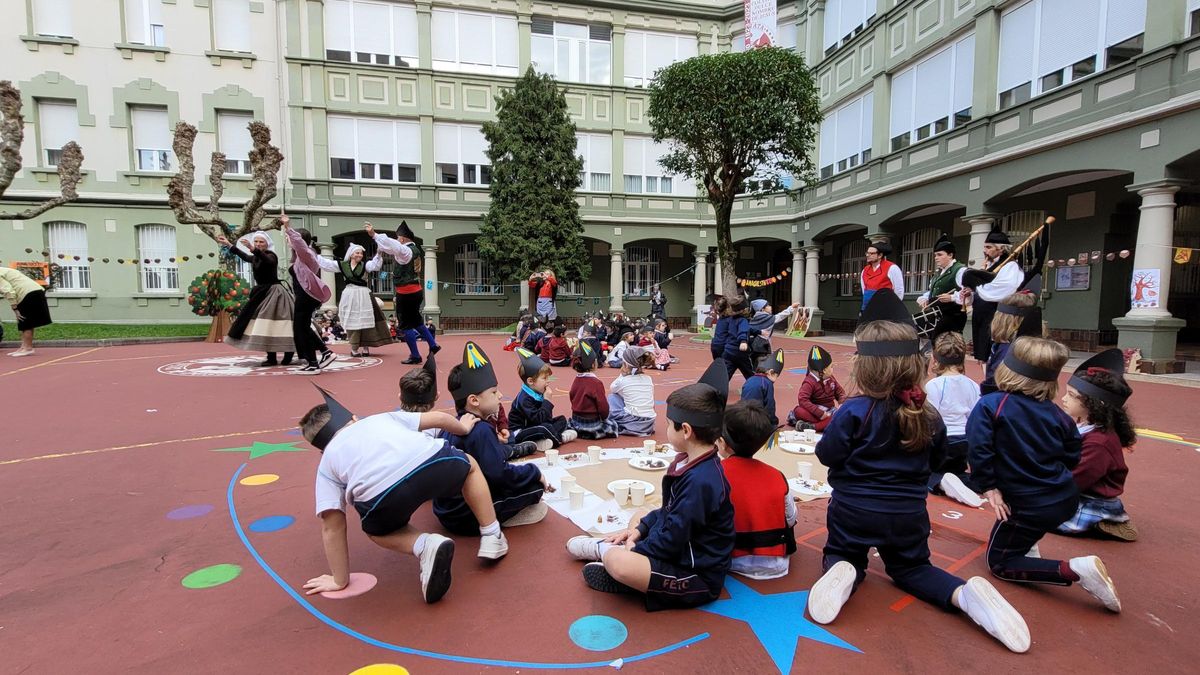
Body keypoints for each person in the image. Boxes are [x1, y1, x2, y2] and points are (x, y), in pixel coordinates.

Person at [808, 291, 1030, 653]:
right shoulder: (928, 415)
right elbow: (939, 462)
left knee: (843, 551)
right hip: (907, 514)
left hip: (854, 510)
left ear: (863, 367)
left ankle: (844, 568)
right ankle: (962, 595)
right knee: (912, 570)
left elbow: (827, 454)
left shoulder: (853, 411)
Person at [298, 385, 508, 604]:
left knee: (379, 531)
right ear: (353, 418)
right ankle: (492, 534)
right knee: (470, 467)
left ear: (321, 448)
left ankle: (424, 544)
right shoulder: (380, 419)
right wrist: (462, 428)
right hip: (432, 461)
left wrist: (339, 579)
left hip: (382, 495)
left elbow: (332, 524)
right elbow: (437, 418)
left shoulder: (327, 462)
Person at [967, 336, 1122, 613]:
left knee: (999, 563)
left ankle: (1074, 570)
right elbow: (1072, 453)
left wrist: (989, 487)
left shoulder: (991, 405)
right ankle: (1029, 544)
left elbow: (979, 450)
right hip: (1063, 498)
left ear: (1005, 369)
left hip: (1028, 505)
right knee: (1018, 530)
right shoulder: (1059, 415)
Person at [564, 361, 735, 611]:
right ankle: (628, 559)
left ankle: (608, 553)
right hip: (676, 550)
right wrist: (642, 529)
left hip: (695, 575)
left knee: (620, 563)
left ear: (685, 430)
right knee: (640, 515)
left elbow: (674, 536)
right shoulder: (690, 462)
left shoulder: (702, 481)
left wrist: (637, 547)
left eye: (668, 423)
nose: (665, 428)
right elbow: (670, 513)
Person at [437, 343, 550, 534]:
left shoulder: (451, 425)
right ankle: (504, 518)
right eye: (493, 392)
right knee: (534, 488)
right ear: (474, 400)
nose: (499, 395)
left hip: (445, 509)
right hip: (465, 515)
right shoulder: (481, 430)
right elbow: (499, 473)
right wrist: (533, 472)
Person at [1056, 349, 1138, 541]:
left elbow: (1076, 479)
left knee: (1030, 515)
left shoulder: (1100, 443)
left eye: (1072, 395)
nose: (1064, 399)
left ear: (1094, 404)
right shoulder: (1083, 425)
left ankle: (1106, 521)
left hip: (1091, 498)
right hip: (1075, 489)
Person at [722, 399, 797, 580]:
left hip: (730, 557)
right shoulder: (777, 475)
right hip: (776, 561)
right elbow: (791, 518)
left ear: (723, 442)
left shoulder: (716, 472)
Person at [218, 231, 296, 366]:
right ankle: (271, 357)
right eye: (256, 242)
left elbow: (268, 261)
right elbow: (243, 255)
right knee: (263, 325)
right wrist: (229, 244)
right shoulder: (255, 257)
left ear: (267, 244)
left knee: (282, 323)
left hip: (274, 292)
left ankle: (288, 354)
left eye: (261, 242)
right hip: (260, 293)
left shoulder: (272, 256)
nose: (258, 244)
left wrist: (253, 249)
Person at [924, 332, 983, 507]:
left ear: (936, 359)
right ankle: (967, 481)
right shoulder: (973, 385)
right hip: (964, 443)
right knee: (959, 471)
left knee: (923, 471)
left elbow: (930, 419)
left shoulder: (933, 385)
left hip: (942, 441)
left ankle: (940, 481)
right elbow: (976, 417)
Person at [373, 221, 440, 365]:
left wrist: (375, 235)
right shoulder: (414, 250)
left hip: (406, 292)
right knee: (416, 320)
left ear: (402, 239)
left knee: (405, 325)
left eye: (398, 238)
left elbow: (395, 247)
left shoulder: (406, 251)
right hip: (416, 290)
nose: (397, 241)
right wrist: (380, 244)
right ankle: (433, 345)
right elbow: (392, 249)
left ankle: (415, 355)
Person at [280, 216, 336, 374]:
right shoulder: (299, 256)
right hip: (303, 296)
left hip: (306, 296)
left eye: (288, 238)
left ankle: (313, 363)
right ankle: (324, 353)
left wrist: (288, 228)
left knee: (301, 328)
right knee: (302, 327)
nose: (287, 240)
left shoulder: (306, 253)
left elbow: (300, 245)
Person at [960, 228, 1023, 363]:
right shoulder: (990, 267)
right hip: (982, 315)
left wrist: (977, 286)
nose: (985, 251)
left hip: (995, 316)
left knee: (993, 355)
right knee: (983, 356)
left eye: (989, 247)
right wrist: (970, 292)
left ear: (1001, 249)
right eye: (985, 247)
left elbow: (1003, 289)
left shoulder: (1010, 265)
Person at [981, 281, 1042, 395]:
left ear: (1001, 319)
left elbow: (998, 384)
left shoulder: (1009, 350)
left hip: (1002, 402)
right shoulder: (1032, 346)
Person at [509, 347, 577, 446]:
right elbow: (539, 420)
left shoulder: (537, 392)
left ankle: (542, 441)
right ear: (531, 381)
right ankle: (559, 439)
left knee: (562, 420)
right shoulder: (524, 399)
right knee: (545, 428)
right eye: (544, 378)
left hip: (535, 426)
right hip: (520, 431)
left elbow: (547, 419)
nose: (548, 381)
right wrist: (547, 401)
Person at [916, 234, 967, 345]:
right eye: (935, 255)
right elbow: (932, 291)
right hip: (937, 315)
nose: (936, 258)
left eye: (939, 255)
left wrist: (952, 297)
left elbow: (968, 293)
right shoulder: (939, 272)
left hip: (952, 315)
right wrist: (925, 298)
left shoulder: (960, 270)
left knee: (947, 346)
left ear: (950, 255)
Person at [787, 346, 845, 432]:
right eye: (831, 366)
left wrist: (842, 403)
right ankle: (824, 424)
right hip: (814, 413)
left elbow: (840, 393)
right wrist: (819, 413)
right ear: (824, 370)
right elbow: (803, 400)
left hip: (829, 411)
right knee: (798, 411)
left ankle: (811, 427)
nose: (833, 368)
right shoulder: (809, 382)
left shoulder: (831, 379)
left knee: (840, 415)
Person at [568, 341, 618, 439]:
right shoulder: (595, 382)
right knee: (613, 425)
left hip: (576, 419)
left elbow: (572, 396)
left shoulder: (577, 379)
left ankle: (578, 432)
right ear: (592, 365)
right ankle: (591, 432)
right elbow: (603, 407)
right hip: (591, 421)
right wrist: (604, 417)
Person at [0, 265, 52, 357]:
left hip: (28, 293)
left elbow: (8, 291)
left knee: (25, 320)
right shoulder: (4, 270)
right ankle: (23, 347)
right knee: (23, 320)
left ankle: (28, 348)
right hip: (33, 291)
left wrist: (14, 307)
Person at [606, 347, 658, 437]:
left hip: (634, 422)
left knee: (613, 397)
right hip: (650, 422)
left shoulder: (624, 380)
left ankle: (624, 425)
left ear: (625, 364)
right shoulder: (648, 379)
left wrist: (622, 375)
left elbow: (612, 388)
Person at [747, 298, 801, 370]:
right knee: (762, 367)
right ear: (762, 309)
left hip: (753, 345)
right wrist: (791, 307)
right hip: (762, 346)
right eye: (768, 305)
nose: (770, 307)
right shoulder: (767, 318)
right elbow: (781, 316)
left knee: (754, 366)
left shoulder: (754, 318)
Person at [740, 348, 784, 427]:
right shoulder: (767, 383)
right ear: (770, 372)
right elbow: (770, 405)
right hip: (757, 420)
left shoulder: (749, 379)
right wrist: (773, 422)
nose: (776, 379)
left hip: (743, 418)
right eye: (776, 376)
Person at [859, 240, 904, 311]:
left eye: (871, 253)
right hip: (868, 307)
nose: (867, 255)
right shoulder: (865, 270)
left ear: (880, 255)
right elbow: (864, 289)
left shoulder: (892, 268)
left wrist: (894, 306)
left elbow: (899, 290)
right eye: (867, 253)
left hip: (886, 306)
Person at [721, 301, 753, 382]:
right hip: (739, 352)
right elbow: (743, 330)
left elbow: (748, 329)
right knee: (749, 372)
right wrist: (743, 341)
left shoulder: (731, 319)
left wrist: (758, 331)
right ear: (744, 310)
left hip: (728, 351)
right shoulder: (743, 320)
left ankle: (718, 389)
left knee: (726, 374)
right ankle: (755, 388)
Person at [709, 297, 730, 361]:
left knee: (718, 364)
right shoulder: (729, 319)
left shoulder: (720, 319)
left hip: (715, 344)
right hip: (723, 345)